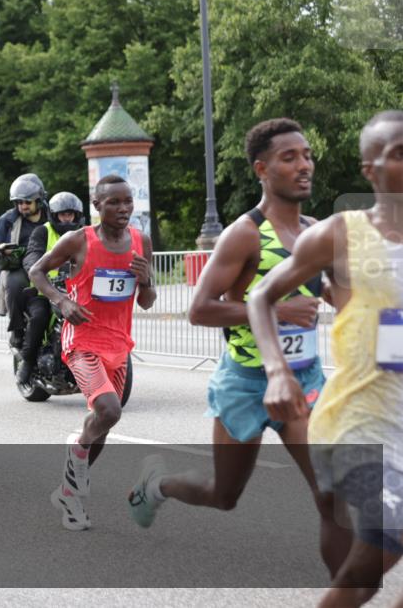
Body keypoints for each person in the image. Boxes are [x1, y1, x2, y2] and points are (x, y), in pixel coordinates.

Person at [125, 118, 350, 578]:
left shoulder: (316, 231)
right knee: (223, 495)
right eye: (290, 157)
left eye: (307, 155)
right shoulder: (244, 234)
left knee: (332, 496)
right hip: (245, 384)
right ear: (261, 169)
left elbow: (330, 291)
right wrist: (277, 311)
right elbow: (200, 309)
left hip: (302, 380)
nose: (304, 165)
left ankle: (346, 595)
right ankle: (158, 485)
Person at [247, 110, 403, 606]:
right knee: (384, 545)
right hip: (358, 423)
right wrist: (277, 372)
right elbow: (261, 296)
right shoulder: (340, 235)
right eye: (400, 153)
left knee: (371, 570)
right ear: (370, 170)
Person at [29, 176, 155, 529]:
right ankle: (76, 457)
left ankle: (68, 493)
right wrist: (61, 301)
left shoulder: (141, 242)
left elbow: (146, 302)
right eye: (114, 202)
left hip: (118, 345)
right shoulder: (78, 240)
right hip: (82, 341)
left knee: (105, 423)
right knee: (109, 409)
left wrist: (146, 280)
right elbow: (37, 271)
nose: (123, 208)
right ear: (97, 206)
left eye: (127, 201)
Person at [18, 191, 86, 385]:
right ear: (55, 215)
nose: (67, 218)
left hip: (76, 290)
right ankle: (28, 362)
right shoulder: (43, 231)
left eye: (70, 214)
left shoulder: (85, 234)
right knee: (39, 317)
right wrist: (39, 271)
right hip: (45, 290)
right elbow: (32, 255)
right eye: (63, 214)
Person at [0, 173, 49, 349]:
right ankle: (17, 330)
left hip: (51, 264)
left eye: (27, 202)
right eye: (19, 202)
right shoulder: (7, 220)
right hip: (18, 267)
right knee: (13, 285)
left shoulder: (52, 216)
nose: (23, 206)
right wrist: (1, 248)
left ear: (39, 200)